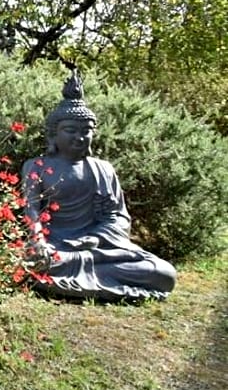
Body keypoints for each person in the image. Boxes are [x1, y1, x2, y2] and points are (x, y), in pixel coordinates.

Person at [21, 71, 176, 301]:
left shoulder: (103, 169)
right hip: (54, 245)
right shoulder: (36, 166)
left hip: (98, 249)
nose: (80, 137)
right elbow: (31, 209)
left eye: (86, 131)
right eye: (71, 130)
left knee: (164, 273)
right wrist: (39, 241)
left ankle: (70, 273)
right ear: (53, 135)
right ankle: (70, 271)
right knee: (30, 264)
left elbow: (119, 217)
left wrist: (96, 238)